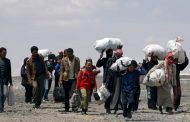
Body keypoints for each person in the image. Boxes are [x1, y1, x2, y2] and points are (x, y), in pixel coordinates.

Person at [104, 48, 123, 114]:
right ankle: (107, 108)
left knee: (117, 93)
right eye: (118, 55)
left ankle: (115, 107)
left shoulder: (122, 60)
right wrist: (105, 80)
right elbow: (106, 70)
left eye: (120, 56)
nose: (119, 57)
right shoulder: (110, 60)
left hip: (118, 79)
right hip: (110, 79)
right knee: (108, 94)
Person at [0, 47, 13, 112]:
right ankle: (1, 108)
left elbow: (9, 72)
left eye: (6, 53)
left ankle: (1, 104)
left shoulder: (8, 61)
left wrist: (11, 81)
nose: (5, 54)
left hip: (5, 80)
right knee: (0, 94)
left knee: (5, 94)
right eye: (4, 53)